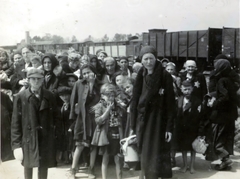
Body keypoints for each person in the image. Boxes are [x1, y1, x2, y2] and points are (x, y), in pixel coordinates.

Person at [130, 46, 175, 179]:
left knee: (156, 149)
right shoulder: (141, 74)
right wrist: (133, 125)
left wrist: (169, 128)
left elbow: (171, 104)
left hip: (159, 120)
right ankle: (145, 174)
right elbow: (135, 100)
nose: (148, 62)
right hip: (143, 118)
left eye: (151, 58)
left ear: (156, 59)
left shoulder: (164, 75)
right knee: (144, 149)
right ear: (142, 60)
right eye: (146, 59)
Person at [11, 68, 57, 179]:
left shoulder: (49, 96)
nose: (36, 81)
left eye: (39, 79)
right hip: (28, 138)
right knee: (28, 166)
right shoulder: (21, 97)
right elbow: (15, 123)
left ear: (42, 80)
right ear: (28, 80)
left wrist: (55, 138)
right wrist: (16, 145)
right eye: (33, 79)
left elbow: (56, 118)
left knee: (43, 167)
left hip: (45, 138)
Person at [201, 59, 239, 170]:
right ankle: (225, 162)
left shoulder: (222, 80)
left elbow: (224, 96)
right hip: (229, 116)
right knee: (224, 139)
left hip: (221, 116)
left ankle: (226, 160)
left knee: (217, 139)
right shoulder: (230, 80)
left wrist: (214, 102)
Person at [67, 64, 100, 179]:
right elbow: (73, 100)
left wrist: (98, 106)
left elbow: (102, 98)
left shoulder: (98, 84)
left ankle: (91, 169)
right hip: (82, 118)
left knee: (93, 145)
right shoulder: (78, 84)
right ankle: (73, 170)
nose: (86, 75)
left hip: (94, 118)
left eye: (89, 72)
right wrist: (73, 116)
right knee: (79, 144)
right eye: (84, 73)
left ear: (93, 72)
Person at [91, 83, 124, 179]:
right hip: (106, 135)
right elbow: (98, 121)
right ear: (102, 96)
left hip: (117, 134)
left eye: (112, 95)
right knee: (105, 159)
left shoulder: (118, 106)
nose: (111, 98)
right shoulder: (99, 106)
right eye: (108, 95)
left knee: (118, 160)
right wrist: (108, 110)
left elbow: (122, 120)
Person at [175, 80, 202, 173]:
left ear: (192, 89)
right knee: (183, 148)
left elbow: (199, 116)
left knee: (193, 148)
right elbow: (176, 114)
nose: (187, 91)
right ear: (181, 89)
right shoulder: (178, 100)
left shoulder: (197, 101)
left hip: (193, 128)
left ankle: (192, 166)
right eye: (185, 89)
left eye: (189, 89)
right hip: (182, 128)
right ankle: (185, 165)